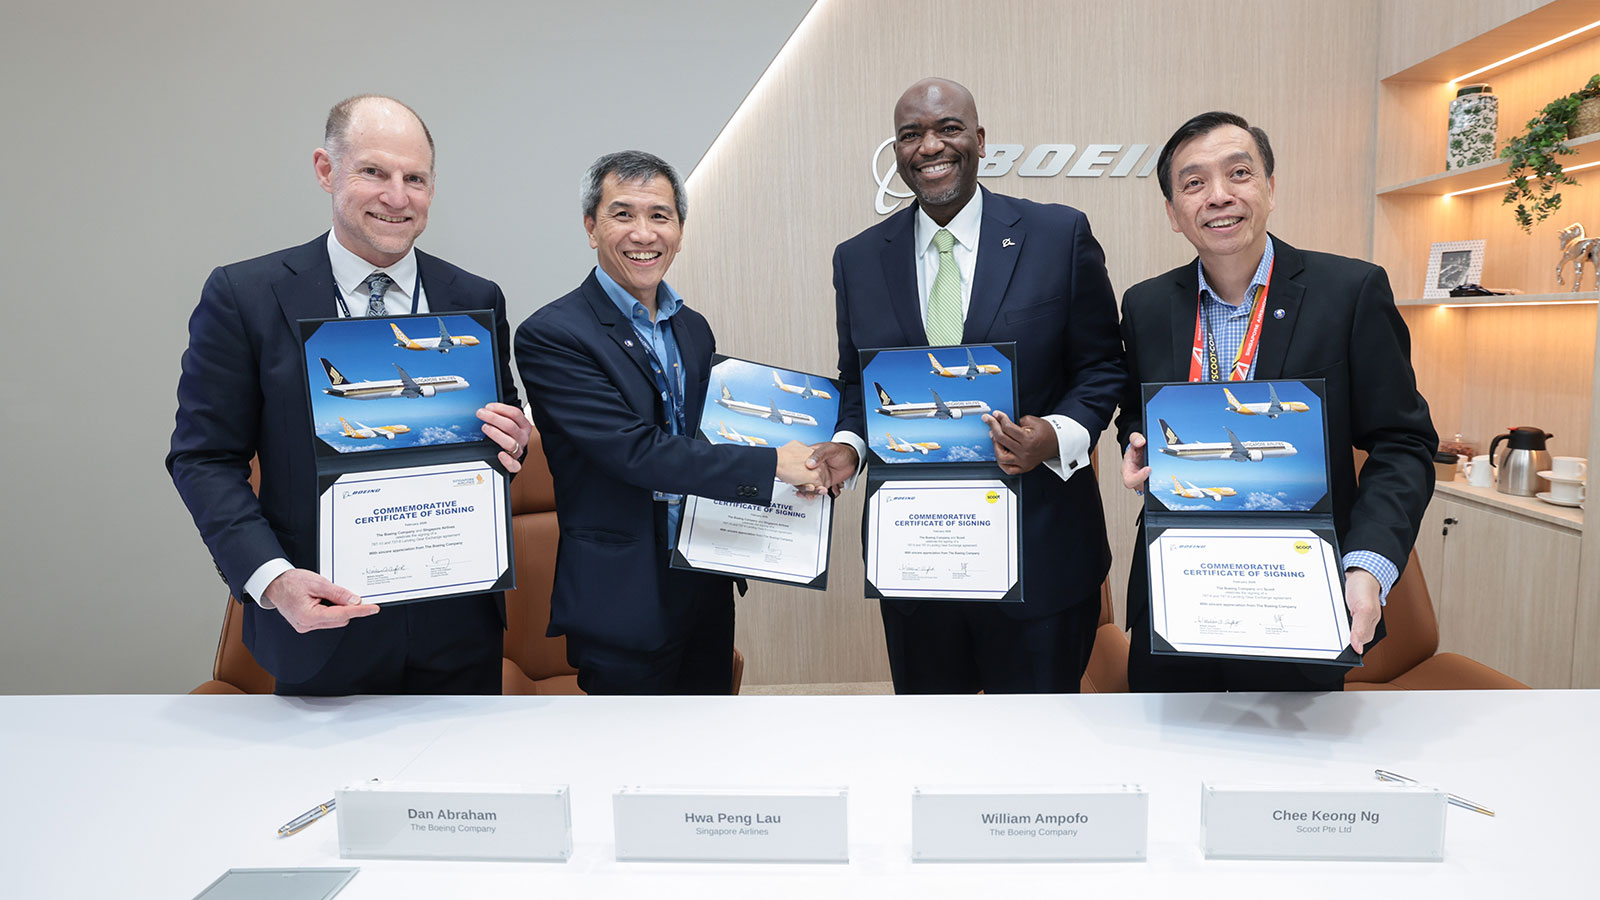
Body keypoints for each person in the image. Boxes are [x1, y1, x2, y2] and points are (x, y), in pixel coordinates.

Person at [167, 95, 533, 696]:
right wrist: (273, 580)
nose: (397, 196)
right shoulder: (245, 296)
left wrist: (510, 442)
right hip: (318, 626)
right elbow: (202, 459)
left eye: (415, 178)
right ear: (325, 170)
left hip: (458, 628)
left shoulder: (475, 299)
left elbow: (495, 447)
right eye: (374, 172)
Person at [807, 78, 1126, 693]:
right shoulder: (858, 258)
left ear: (979, 140)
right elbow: (859, 383)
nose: (930, 146)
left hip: (1042, 553)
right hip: (919, 560)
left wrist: (1054, 436)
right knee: (935, 755)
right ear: (896, 151)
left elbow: (1102, 366)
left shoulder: (1059, 236)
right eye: (910, 134)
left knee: (1037, 758)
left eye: (947, 128)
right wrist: (848, 442)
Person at [1116, 111, 1438, 692]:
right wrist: (1135, 448)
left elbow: (1403, 443)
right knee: (1168, 767)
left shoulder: (1350, 292)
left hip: (1303, 595)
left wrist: (1368, 564)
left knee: (1293, 774)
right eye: (1193, 183)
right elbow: (1137, 418)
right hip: (1179, 593)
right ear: (1172, 213)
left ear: (1270, 187)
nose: (1218, 196)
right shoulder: (1145, 307)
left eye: (1238, 173)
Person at [515, 151, 820, 695]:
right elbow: (635, 452)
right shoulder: (552, 335)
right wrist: (777, 463)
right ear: (591, 227)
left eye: (660, 216)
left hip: (704, 575)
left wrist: (814, 461)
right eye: (622, 214)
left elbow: (710, 437)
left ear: (680, 231)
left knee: (706, 751)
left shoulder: (692, 329)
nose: (643, 233)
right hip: (621, 593)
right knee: (628, 764)